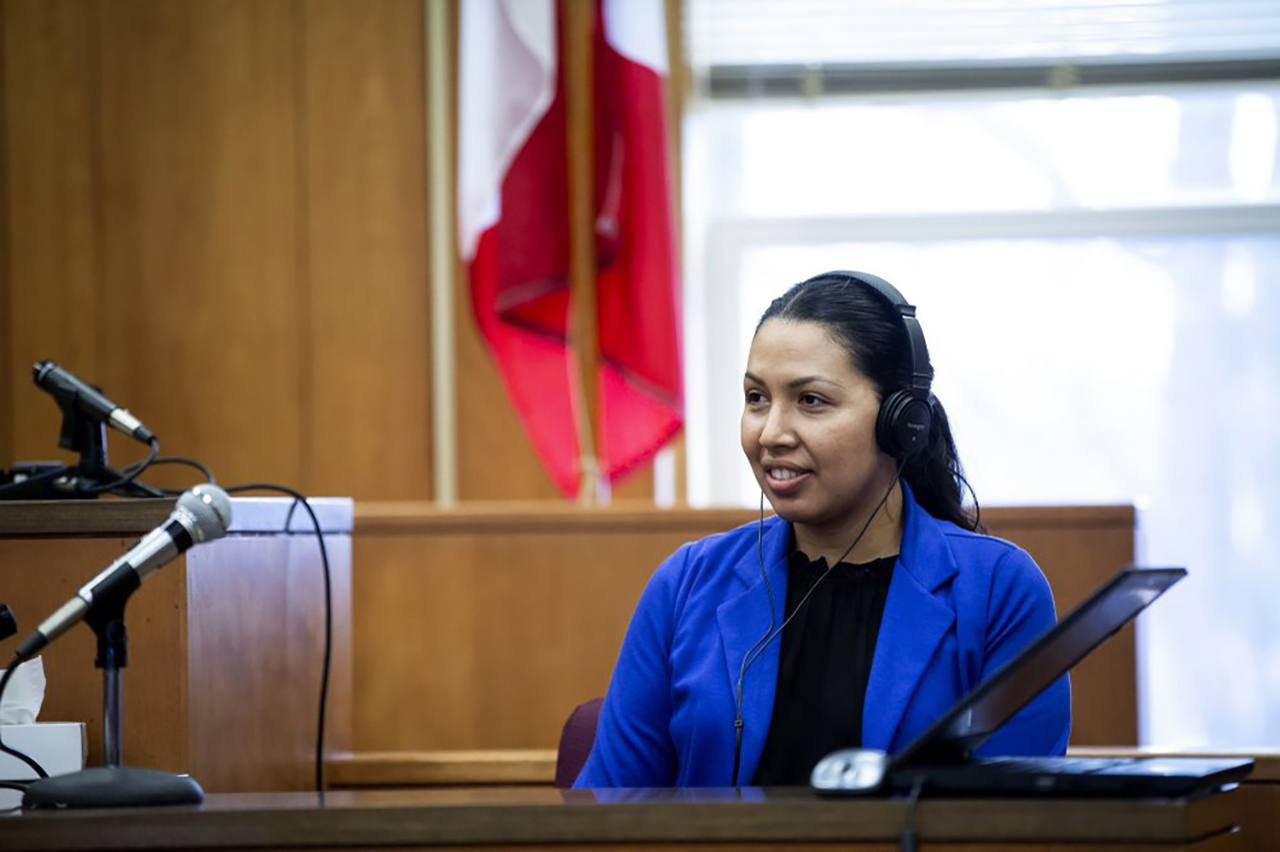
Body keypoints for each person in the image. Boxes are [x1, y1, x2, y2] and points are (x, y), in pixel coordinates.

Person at [574, 271, 1070, 787]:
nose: (771, 433)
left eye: (811, 400)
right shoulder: (687, 584)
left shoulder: (997, 591)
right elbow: (607, 809)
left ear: (901, 420)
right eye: (756, 398)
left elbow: (1016, 824)